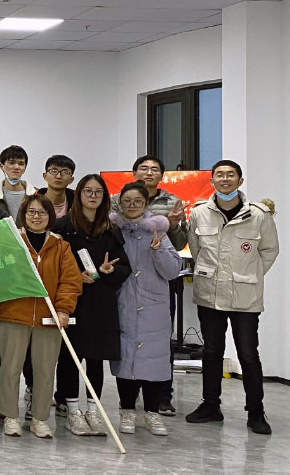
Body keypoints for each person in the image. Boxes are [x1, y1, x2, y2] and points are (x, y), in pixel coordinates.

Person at [185, 160, 279, 435]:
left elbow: (269, 251)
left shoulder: (258, 215)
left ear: (240, 180)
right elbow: (196, 249)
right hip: (210, 294)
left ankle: (256, 412)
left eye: (230, 175)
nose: (225, 179)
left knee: (248, 354)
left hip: (245, 296)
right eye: (219, 175)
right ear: (212, 180)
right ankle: (210, 406)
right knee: (211, 352)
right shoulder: (199, 213)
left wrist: (249, 274)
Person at [0, 194, 83, 439]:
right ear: (23, 215)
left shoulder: (60, 246)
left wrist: (63, 309)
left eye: (42, 212)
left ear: (50, 216)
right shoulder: (12, 242)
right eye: (31, 212)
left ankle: (40, 418)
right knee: (10, 367)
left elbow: (70, 282)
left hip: (49, 318)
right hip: (14, 315)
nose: (36, 217)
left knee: (45, 370)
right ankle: (10, 416)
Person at [53, 174, 130, 437]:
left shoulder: (110, 228)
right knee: (70, 357)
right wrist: (75, 275)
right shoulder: (63, 226)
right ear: (79, 194)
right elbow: (52, 265)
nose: (93, 196)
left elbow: (124, 266)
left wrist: (109, 270)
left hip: (101, 301)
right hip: (72, 301)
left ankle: (93, 411)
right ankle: (73, 410)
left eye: (98, 192)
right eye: (88, 191)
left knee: (96, 359)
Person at [116, 154, 189, 416]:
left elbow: (178, 248)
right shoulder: (115, 208)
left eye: (154, 169)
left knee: (158, 344)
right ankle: (128, 401)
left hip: (155, 289)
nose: (149, 172)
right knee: (126, 345)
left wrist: (173, 226)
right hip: (126, 291)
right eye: (143, 168)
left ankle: (161, 399)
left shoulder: (172, 202)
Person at [0, 144, 37, 218]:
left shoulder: (36, 194)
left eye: (21, 164)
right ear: (2, 166)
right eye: (11, 163)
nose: (16, 167)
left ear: (25, 168)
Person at [37, 154, 76, 219]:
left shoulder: (78, 203)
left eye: (65, 172)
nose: (58, 176)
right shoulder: (31, 202)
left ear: (71, 179)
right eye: (54, 171)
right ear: (45, 176)